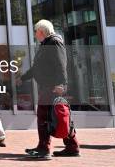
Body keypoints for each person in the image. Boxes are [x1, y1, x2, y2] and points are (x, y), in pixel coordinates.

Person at [18, 19, 80, 159]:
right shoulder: (45, 44)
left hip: (52, 87)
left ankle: (44, 148)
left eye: (36, 32)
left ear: (42, 31)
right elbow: (36, 68)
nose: (35, 34)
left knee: (44, 116)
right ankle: (72, 146)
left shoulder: (54, 42)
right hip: (49, 86)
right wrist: (22, 78)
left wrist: (62, 85)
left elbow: (61, 64)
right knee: (57, 116)